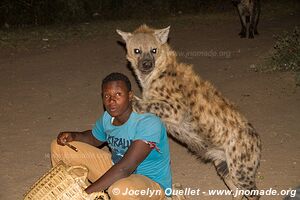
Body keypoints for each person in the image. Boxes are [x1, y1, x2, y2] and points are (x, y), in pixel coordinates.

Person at [51, 72, 172, 200]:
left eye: (118, 94)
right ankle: (76, 193)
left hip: (149, 183)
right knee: (60, 147)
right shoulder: (108, 118)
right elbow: (93, 138)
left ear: (130, 96)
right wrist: (73, 136)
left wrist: (85, 194)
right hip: (117, 170)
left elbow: (125, 168)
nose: (111, 100)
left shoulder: (148, 122)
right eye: (107, 95)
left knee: (119, 190)